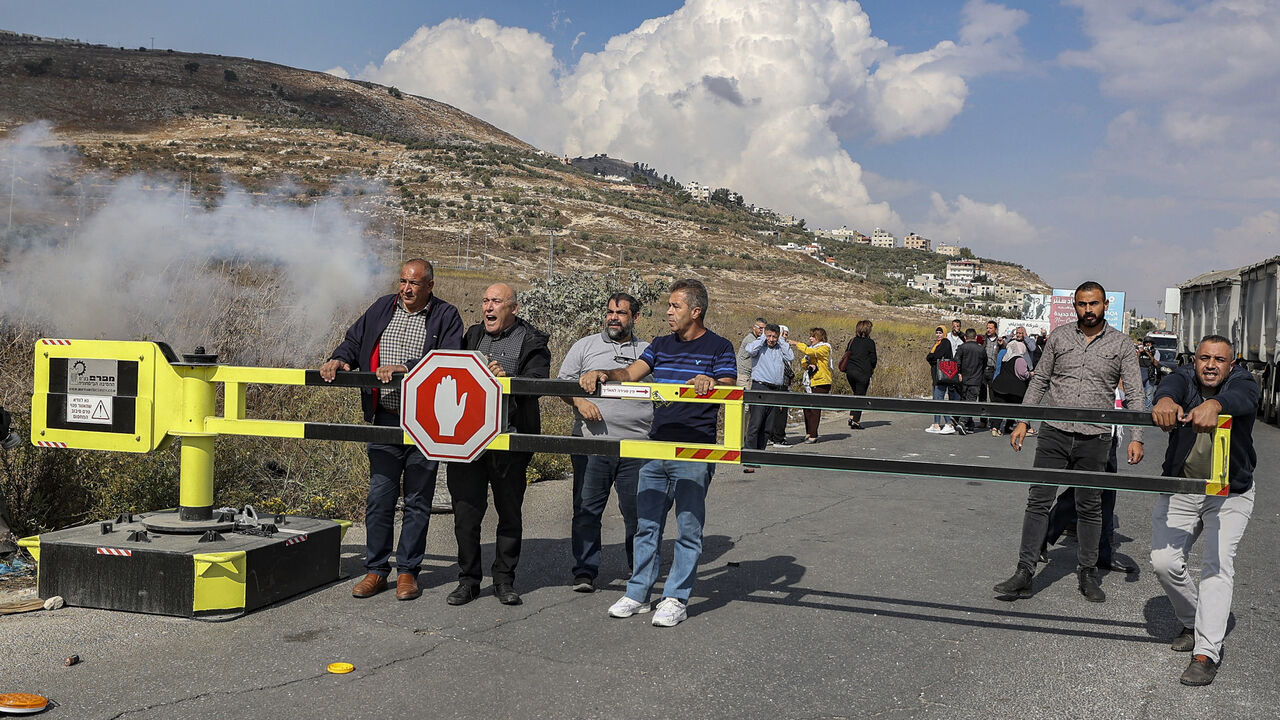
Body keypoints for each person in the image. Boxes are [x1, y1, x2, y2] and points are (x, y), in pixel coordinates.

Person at [579, 278, 736, 628]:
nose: (667, 311)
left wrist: (709, 383)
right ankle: (638, 593)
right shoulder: (661, 345)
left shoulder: (719, 347)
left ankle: (676, 598)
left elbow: (728, 384)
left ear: (695, 311)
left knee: (689, 528)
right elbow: (630, 372)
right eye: (668, 305)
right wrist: (604, 373)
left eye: (675, 306)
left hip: (695, 450)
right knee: (646, 525)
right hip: (656, 444)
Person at [320, 259, 464, 601]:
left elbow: (450, 359)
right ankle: (376, 570)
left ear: (429, 285)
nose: (406, 288)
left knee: (417, 499)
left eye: (414, 283)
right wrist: (340, 358)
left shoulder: (446, 315)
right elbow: (355, 341)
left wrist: (407, 368)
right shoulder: (383, 307)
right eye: (403, 281)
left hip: (425, 424)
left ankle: (408, 572)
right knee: (380, 497)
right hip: (385, 417)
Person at [993, 281, 1145, 603]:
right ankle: (1024, 572)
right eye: (1081, 304)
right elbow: (1040, 381)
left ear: (1104, 305)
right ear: (1075, 306)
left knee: (1089, 507)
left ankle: (1088, 573)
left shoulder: (1121, 345)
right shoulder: (1059, 337)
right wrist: (1023, 420)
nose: (1087, 310)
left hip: (1096, 437)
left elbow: (1134, 393)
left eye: (1093, 304)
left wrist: (1137, 437)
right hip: (1054, 433)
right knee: (1038, 501)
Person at [1150, 335, 1259, 686]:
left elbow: (1242, 397)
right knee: (1164, 562)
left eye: (1220, 360)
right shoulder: (1184, 378)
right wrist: (1164, 399)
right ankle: (1194, 619)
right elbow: (1170, 383)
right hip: (1182, 486)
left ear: (1231, 364)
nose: (1211, 365)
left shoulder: (1241, 381)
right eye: (1204, 358)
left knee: (1216, 565)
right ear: (1194, 359)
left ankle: (1206, 653)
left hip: (1228, 493)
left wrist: (1217, 405)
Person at [446, 283, 550, 607]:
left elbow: (536, 385)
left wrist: (506, 380)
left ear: (513, 308)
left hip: (509, 443)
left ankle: (504, 581)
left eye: (496, 302)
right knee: (465, 514)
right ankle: (468, 581)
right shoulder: (472, 336)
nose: (488, 307)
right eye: (485, 301)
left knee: (509, 515)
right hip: (468, 443)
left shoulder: (533, 342)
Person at [557, 293, 651, 593]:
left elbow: (666, 393)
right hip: (592, 444)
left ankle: (638, 569)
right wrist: (579, 401)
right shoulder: (585, 346)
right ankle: (585, 571)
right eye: (610, 311)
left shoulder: (648, 352)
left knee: (637, 512)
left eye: (621, 313)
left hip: (637, 445)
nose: (613, 317)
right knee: (586, 510)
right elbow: (562, 383)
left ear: (634, 318)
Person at [742, 323, 794, 472]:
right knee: (755, 424)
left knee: (768, 427)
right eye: (769, 336)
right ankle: (750, 458)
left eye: (774, 337)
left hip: (775, 390)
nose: (771, 339)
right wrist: (762, 339)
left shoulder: (780, 348)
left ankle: (759, 455)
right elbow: (749, 350)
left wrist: (782, 342)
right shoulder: (759, 346)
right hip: (760, 387)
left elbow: (791, 356)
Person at [792, 327, 832, 443]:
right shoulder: (811, 348)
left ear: (820, 338)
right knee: (807, 408)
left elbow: (811, 352)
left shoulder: (825, 347)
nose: (810, 339)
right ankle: (809, 431)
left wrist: (797, 344)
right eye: (810, 336)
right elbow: (804, 362)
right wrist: (809, 364)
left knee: (815, 408)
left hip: (821, 382)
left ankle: (813, 435)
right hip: (809, 382)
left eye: (813, 337)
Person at [989, 339, 1031, 436]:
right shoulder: (1020, 359)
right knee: (1015, 409)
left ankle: (995, 428)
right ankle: (1010, 426)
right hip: (1014, 389)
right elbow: (1022, 374)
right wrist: (1030, 374)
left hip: (1000, 386)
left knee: (1000, 408)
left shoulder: (1006, 357)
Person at [925, 326, 961, 435]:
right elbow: (929, 358)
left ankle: (949, 424)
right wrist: (931, 357)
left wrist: (932, 356)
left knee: (939, 400)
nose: (938, 335)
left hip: (942, 377)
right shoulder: (937, 344)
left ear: (944, 333)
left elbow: (935, 356)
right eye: (937, 333)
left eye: (940, 333)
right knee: (936, 399)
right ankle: (936, 424)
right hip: (937, 376)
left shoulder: (945, 342)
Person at [843, 320, 877, 429]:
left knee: (856, 394)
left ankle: (852, 416)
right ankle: (855, 420)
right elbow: (873, 359)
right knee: (860, 395)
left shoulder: (852, 341)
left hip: (850, 371)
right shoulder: (870, 343)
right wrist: (871, 368)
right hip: (863, 373)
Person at [954, 328, 986, 432]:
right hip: (976, 379)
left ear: (965, 337)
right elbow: (985, 363)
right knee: (971, 401)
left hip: (963, 378)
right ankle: (965, 422)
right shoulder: (981, 349)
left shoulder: (962, 347)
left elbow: (956, 361)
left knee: (965, 400)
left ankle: (965, 422)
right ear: (976, 337)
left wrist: (959, 372)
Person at [768, 325, 794, 446]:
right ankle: (778, 437)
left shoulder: (783, 346)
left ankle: (775, 435)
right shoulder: (778, 347)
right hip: (780, 382)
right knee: (779, 412)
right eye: (783, 334)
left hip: (783, 382)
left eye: (786, 334)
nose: (785, 337)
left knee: (778, 411)